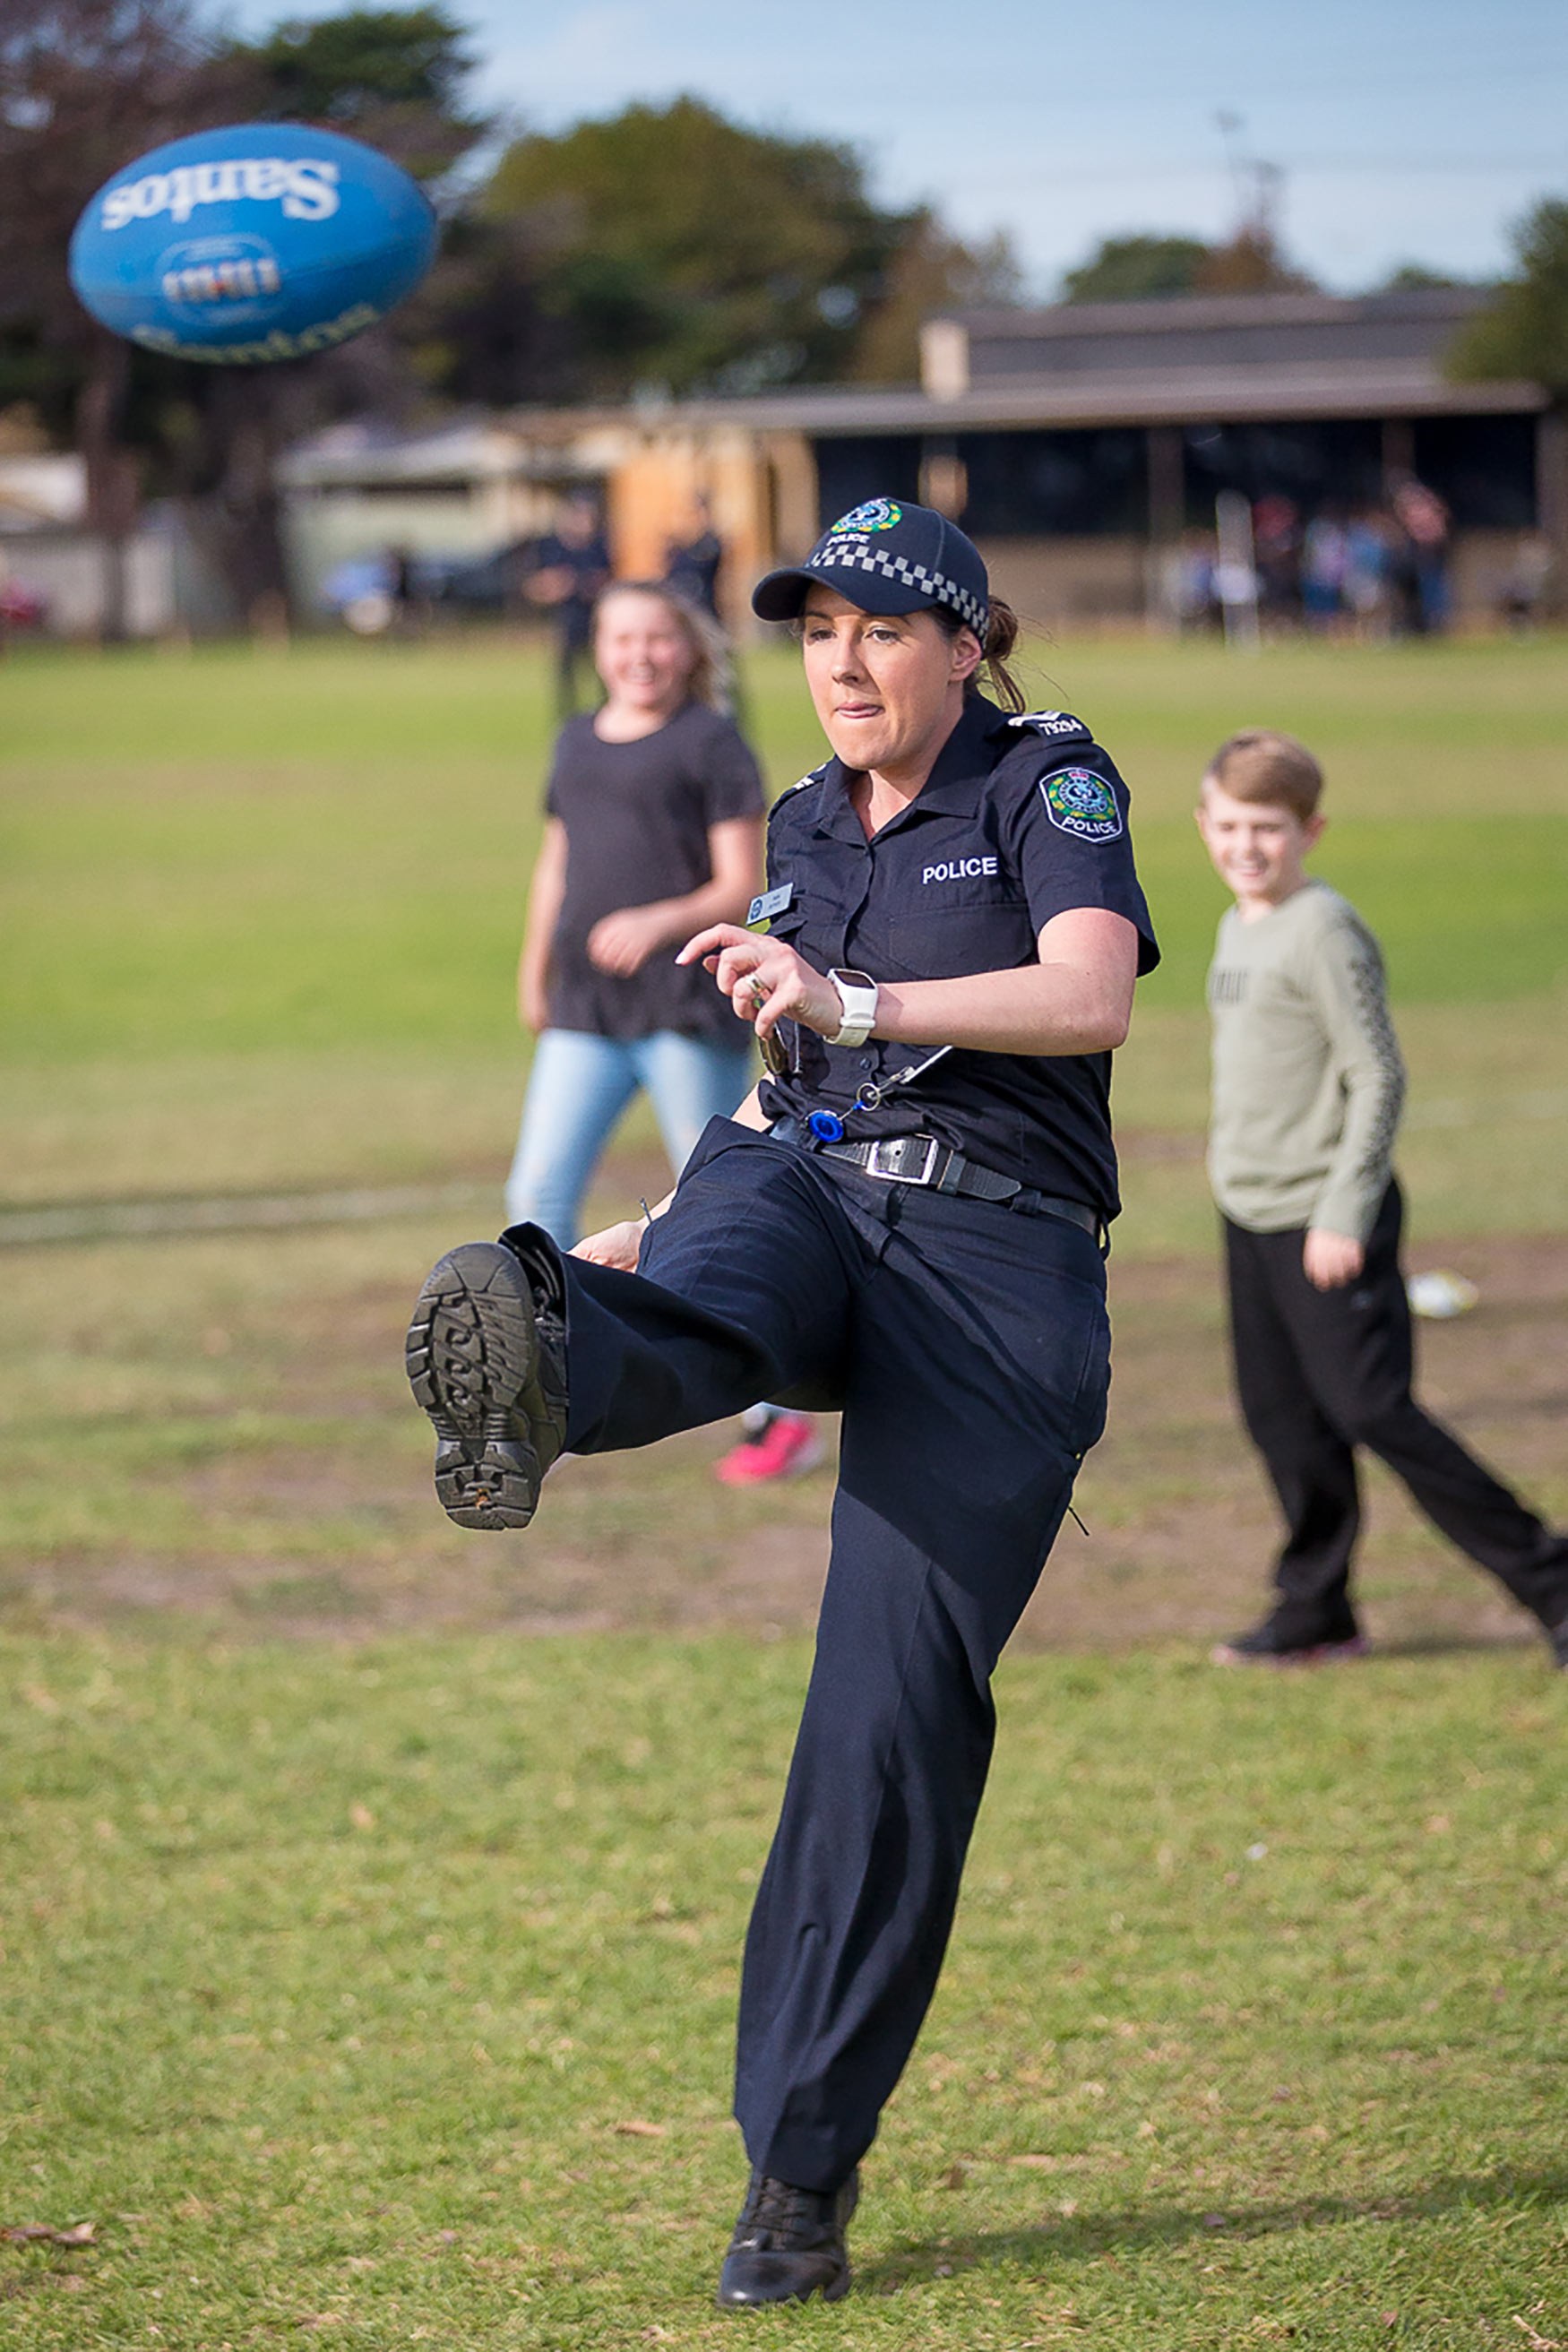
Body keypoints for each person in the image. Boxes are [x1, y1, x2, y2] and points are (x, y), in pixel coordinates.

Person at [405, 498, 1159, 2307]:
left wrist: (859, 993)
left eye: (881, 630)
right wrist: (650, 1225)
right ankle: (551, 1348)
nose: (843, 662)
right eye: (818, 631)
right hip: (803, 1180)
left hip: (992, 1263)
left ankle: (797, 2174)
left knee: (887, 1723)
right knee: (711, 1288)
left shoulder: (1047, 783)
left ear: (964, 644)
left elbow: (1092, 997)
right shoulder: (807, 819)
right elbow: (774, 1077)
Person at [1195, 728, 1568, 1670]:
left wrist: (1343, 1213)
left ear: (1309, 830)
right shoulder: (1240, 923)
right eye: (1230, 825)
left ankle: (1553, 1580)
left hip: (1325, 1220)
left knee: (1373, 1411)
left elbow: (1379, 1075)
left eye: (1267, 828)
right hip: (1251, 1213)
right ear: (1202, 825)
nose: (1245, 846)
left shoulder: (1322, 930)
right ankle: (1317, 1609)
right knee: (1283, 1421)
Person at [504, 577, 820, 1484]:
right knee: (537, 1192)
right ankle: (547, 1389)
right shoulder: (574, 741)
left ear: (688, 649)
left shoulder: (711, 743)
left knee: (719, 1207)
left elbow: (740, 882)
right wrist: (534, 967)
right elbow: (555, 863)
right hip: (586, 1011)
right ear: (597, 649)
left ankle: (777, 1417)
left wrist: (657, 920)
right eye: (621, 638)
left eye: (657, 638)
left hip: (685, 1006)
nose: (639, 655)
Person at [526, 490, 613, 718]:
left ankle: (607, 714)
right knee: (566, 677)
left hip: (595, 620)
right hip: (567, 621)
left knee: (604, 673)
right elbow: (536, 586)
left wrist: (581, 584)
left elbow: (607, 581)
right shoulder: (553, 547)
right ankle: (566, 718)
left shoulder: (599, 547)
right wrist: (556, 586)